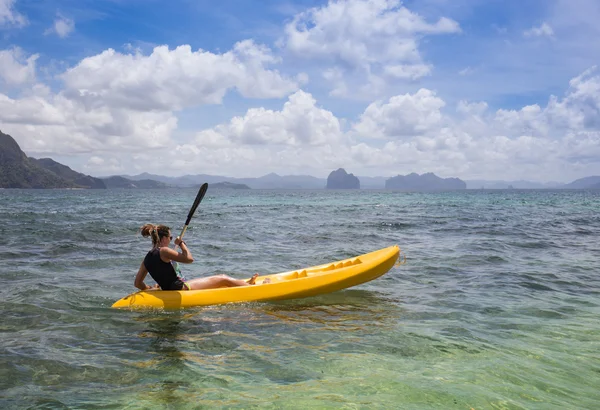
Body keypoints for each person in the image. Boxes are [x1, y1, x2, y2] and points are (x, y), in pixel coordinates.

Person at [134, 224, 259, 291]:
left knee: (218, 284)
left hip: (170, 289)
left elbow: (137, 283)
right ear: (164, 238)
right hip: (182, 288)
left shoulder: (147, 258)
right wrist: (181, 244)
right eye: (170, 238)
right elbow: (189, 259)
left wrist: (149, 288)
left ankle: (244, 283)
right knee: (222, 278)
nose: (171, 240)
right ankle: (253, 289)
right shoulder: (165, 251)